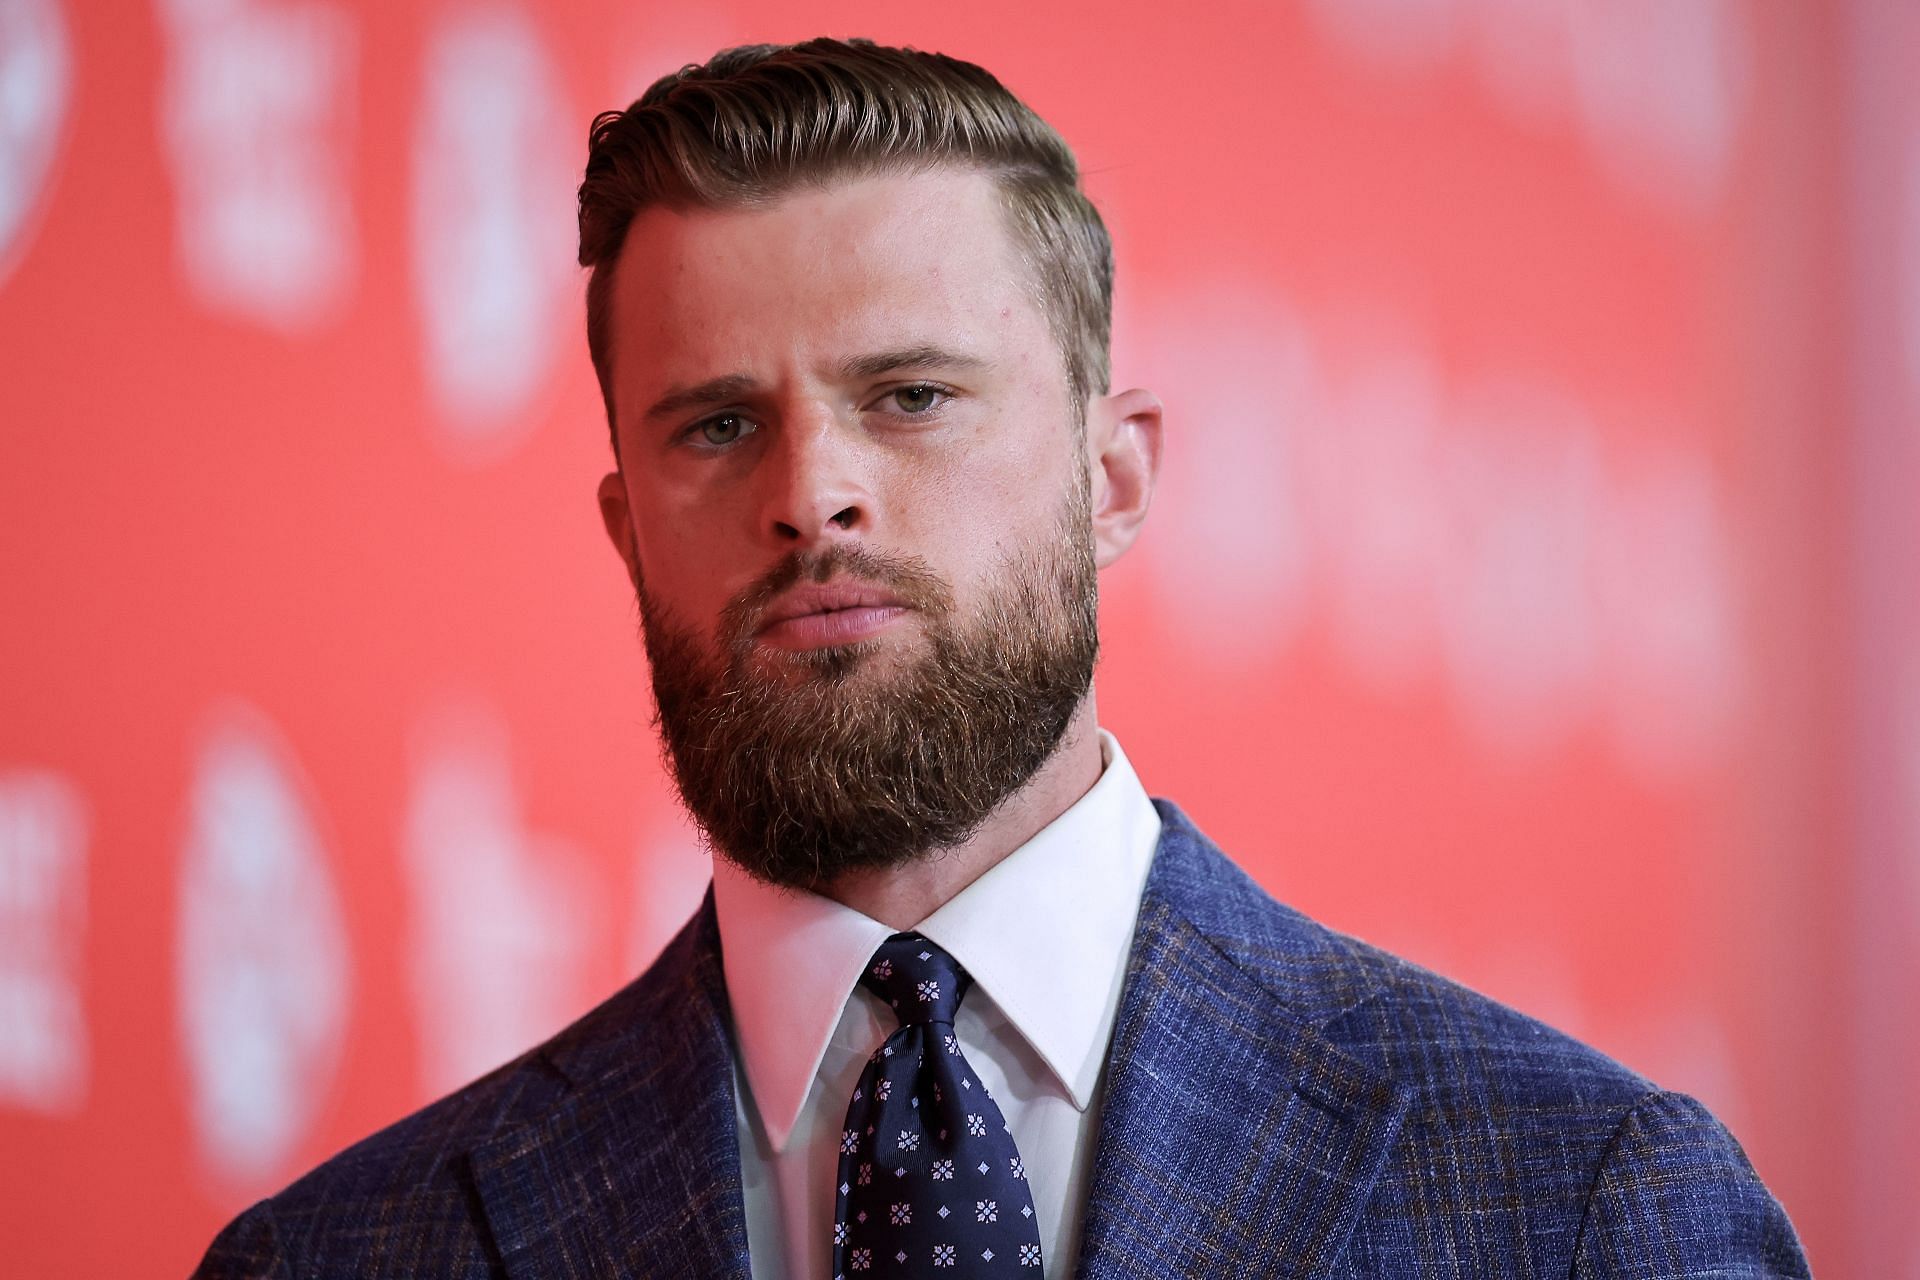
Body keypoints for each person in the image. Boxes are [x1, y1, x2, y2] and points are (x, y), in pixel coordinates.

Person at [194, 38, 1809, 1279]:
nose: (811, 490)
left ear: (1115, 482)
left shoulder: (1582, 1203)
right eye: (718, 424)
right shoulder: (346, 1253)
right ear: (627, 532)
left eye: (911, 396)